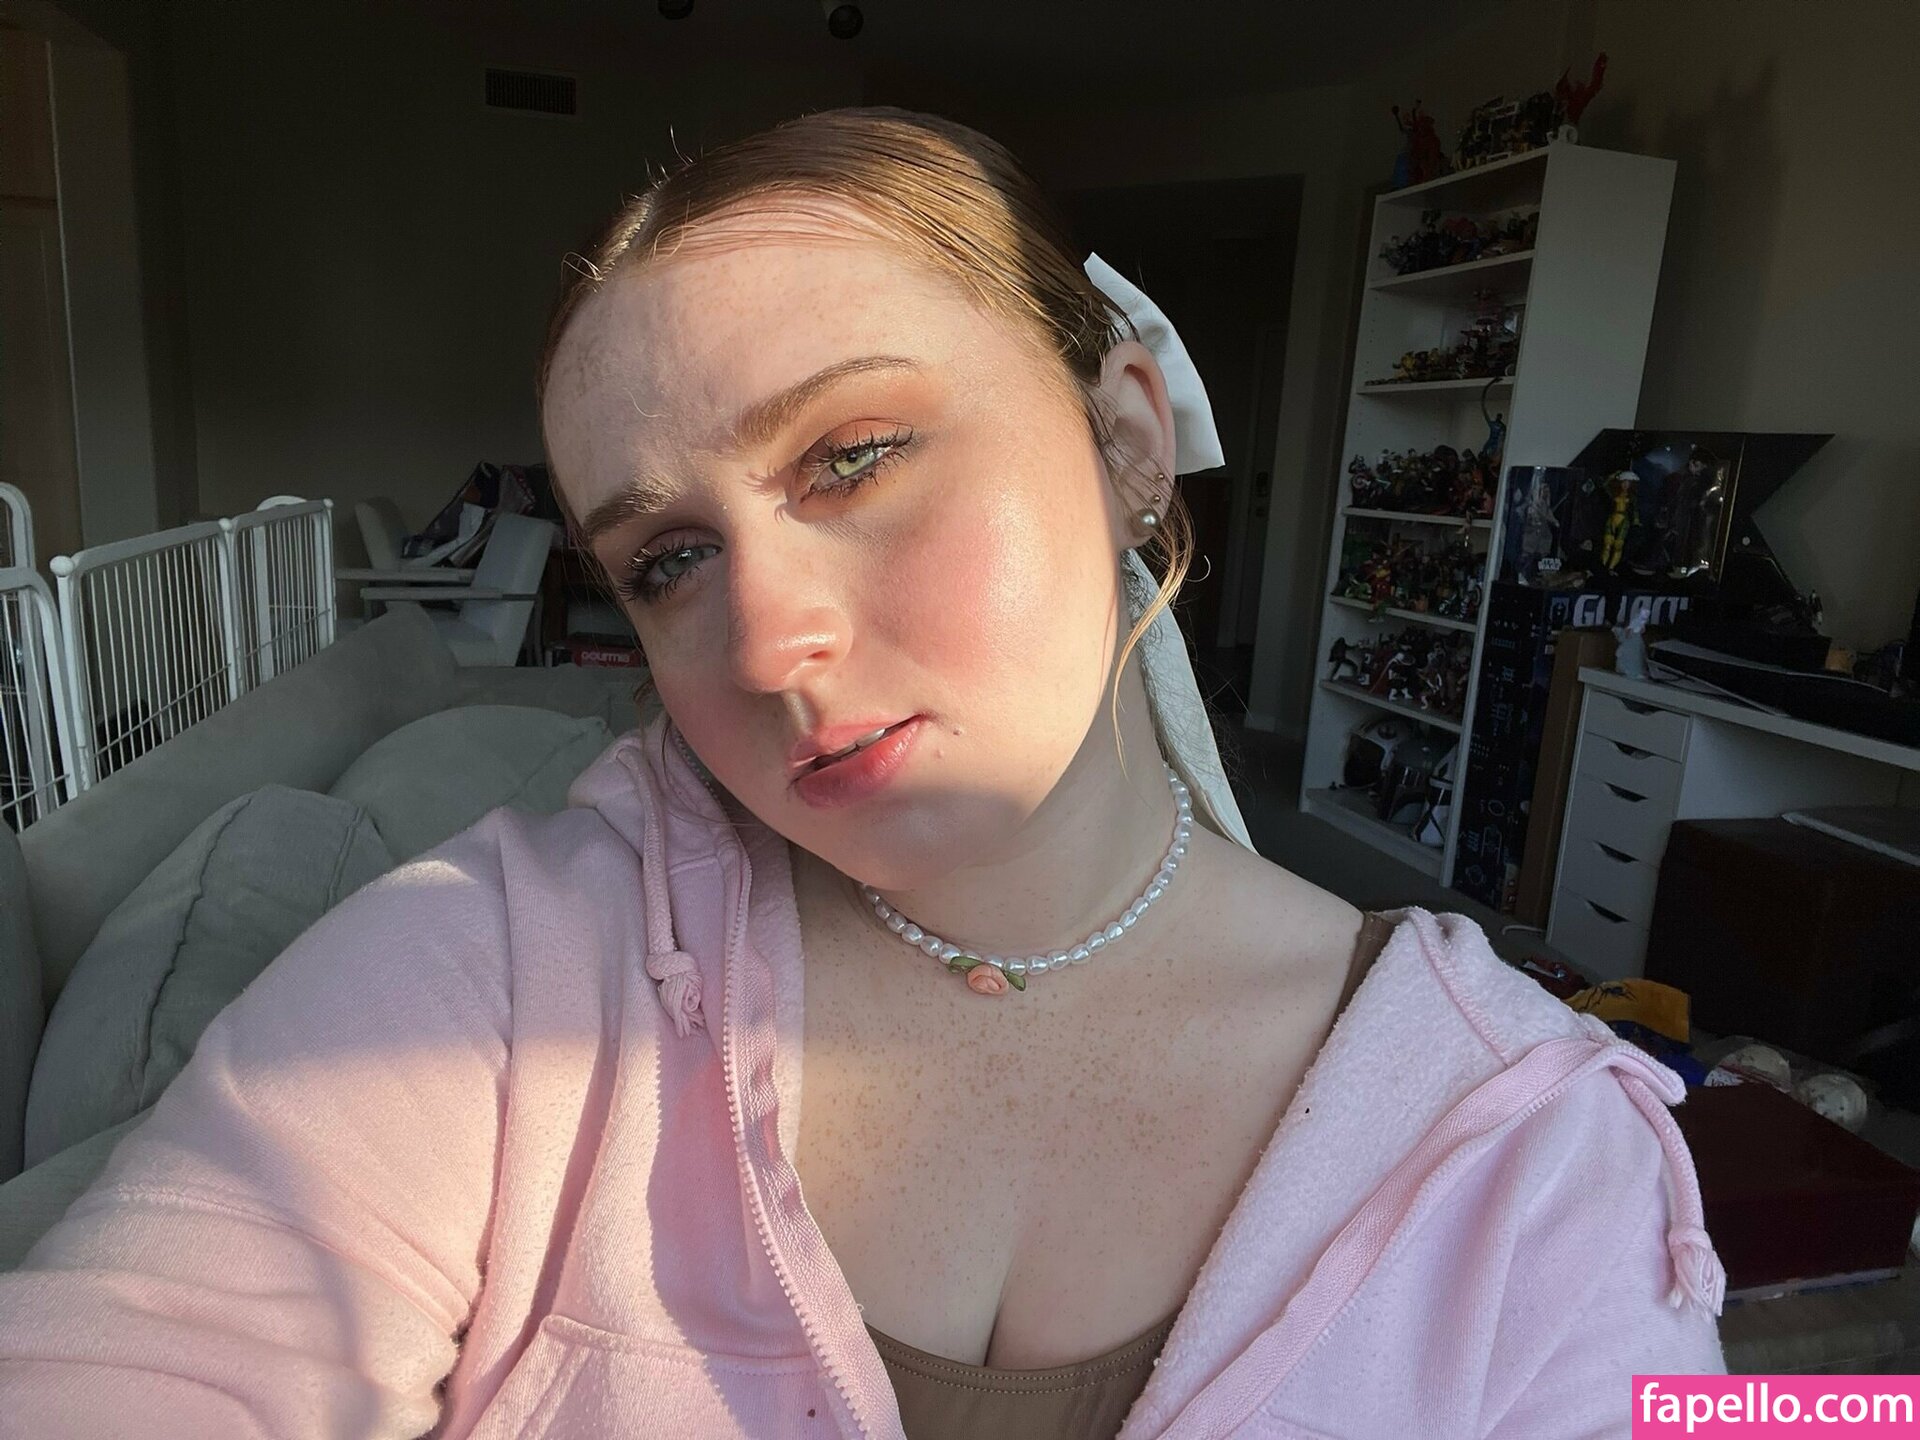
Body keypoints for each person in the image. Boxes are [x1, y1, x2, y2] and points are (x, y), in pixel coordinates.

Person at [0, 106, 1724, 1438]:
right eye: (669, 558)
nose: (764, 644)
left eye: (855, 456)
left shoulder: (1537, 1151)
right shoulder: (496, 980)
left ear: (1129, 437)